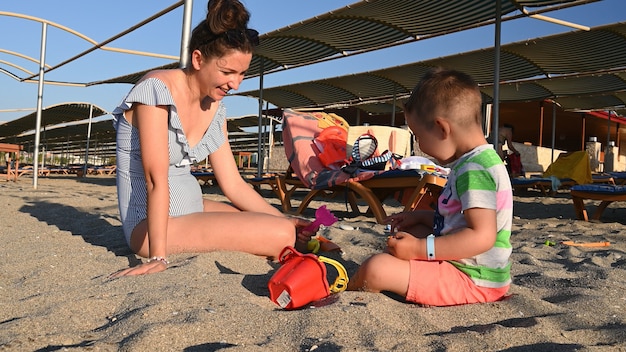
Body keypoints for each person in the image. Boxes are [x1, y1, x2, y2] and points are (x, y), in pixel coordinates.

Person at [111, 0, 308, 277]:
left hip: (195, 208)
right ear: (198, 59)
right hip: (152, 226)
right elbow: (155, 179)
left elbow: (233, 184)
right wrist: (159, 255)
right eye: (227, 72)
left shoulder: (215, 108)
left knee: (281, 224)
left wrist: (285, 216)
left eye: (242, 74)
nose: (235, 84)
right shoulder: (156, 90)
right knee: (281, 234)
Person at [347, 68, 513, 306]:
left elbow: (482, 236)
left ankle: (346, 289)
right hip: (478, 272)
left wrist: (418, 249)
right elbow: (462, 219)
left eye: (418, 136)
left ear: (441, 129)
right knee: (406, 241)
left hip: (473, 280)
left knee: (377, 268)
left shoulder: (474, 169)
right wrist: (424, 218)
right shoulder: (476, 161)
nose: (420, 146)